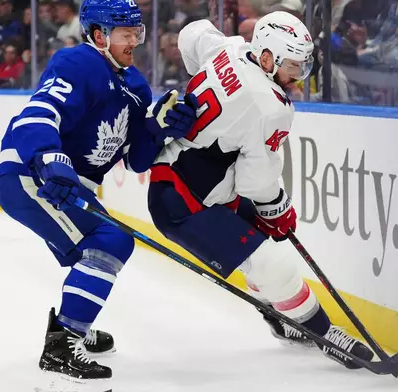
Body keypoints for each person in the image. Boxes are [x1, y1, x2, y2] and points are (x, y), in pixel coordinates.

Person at [147, 11, 375, 369]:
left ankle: (279, 318)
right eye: (293, 67)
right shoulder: (270, 106)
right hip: (187, 203)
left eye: (302, 67)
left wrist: (198, 86)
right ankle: (325, 335)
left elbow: (193, 32)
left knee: (260, 244)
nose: (298, 77)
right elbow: (258, 182)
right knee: (272, 261)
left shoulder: (233, 48)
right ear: (266, 58)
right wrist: (278, 209)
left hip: (181, 178)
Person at [0, 0, 197, 380]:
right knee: (112, 240)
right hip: (30, 173)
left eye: (137, 31)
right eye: (125, 32)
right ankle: (65, 339)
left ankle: (74, 327)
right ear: (99, 36)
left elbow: (134, 158)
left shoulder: (135, 85)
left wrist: (161, 129)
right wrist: (50, 158)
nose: (135, 39)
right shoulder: (79, 62)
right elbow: (40, 112)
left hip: (70, 184)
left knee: (92, 253)